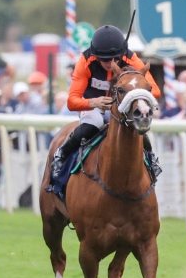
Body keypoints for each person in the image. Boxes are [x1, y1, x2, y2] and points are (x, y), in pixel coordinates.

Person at [48, 24, 162, 183]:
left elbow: (154, 91)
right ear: (96, 56)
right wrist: (93, 102)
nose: (111, 63)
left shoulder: (131, 58)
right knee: (94, 123)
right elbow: (72, 101)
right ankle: (61, 155)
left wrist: (130, 96)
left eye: (116, 59)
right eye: (105, 60)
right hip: (92, 107)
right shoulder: (86, 61)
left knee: (136, 126)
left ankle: (151, 159)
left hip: (120, 107)